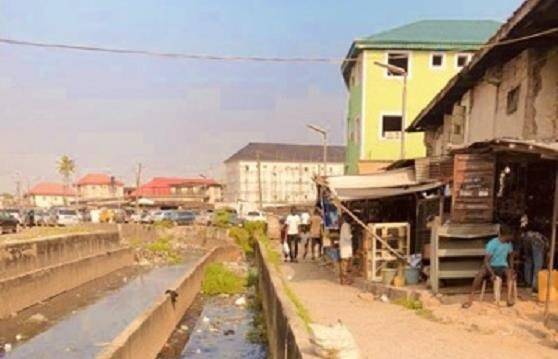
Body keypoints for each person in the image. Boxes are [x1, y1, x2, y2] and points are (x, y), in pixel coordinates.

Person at [463, 225, 515, 308]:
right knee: (479, 275)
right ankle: (470, 299)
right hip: (490, 266)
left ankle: (508, 299)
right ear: (505, 235)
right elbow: (486, 261)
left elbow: (511, 255)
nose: (512, 237)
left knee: (509, 273)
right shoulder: (492, 244)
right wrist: (492, 274)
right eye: (510, 235)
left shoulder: (509, 244)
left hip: (502, 266)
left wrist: (512, 268)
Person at [521, 224, 548, 293]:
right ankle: (535, 286)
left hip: (527, 237)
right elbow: (547, 245)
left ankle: (527, 283)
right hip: (537, 239)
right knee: (538, 265)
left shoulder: (527, 233)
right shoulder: (542, 233)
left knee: (528, 262)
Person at [338, 214, 353, 285]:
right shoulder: (346, 226)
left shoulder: (344, 226)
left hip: (345, 248)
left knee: (344, 264)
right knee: (345, 264)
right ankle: (344, 280)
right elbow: (347, 237)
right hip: (346, 248)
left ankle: (344, 280)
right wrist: (352, 234)